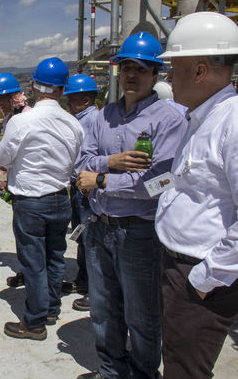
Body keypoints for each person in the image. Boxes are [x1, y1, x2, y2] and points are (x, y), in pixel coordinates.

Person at [75, 32, 188, 379]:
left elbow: (163, 182)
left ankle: (142, 374)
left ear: (155, 75)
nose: (131, 76)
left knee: (141, 314)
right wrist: (113, 162)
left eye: (140, 69)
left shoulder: (169, 119)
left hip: (139, 233)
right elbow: (83, 162)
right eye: (126, 68)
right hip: (100, 226)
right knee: (104, 309)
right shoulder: (104, 115)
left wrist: (104, 180)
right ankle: (111, 371)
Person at [154, 11, 238, 379]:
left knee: (185, 369)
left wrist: (207, 278)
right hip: (181, 265)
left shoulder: (231, 124)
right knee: (176, 356)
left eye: (173, 69)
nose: (169, 79)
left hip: (203, 273)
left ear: (200, 71)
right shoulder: (200, 118)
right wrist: (116, 186)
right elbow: (179, 181)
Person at [0, 57, 84, 341]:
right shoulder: (73, 123)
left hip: (31, 201)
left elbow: (3, 157)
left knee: (34, 262)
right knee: (55, 258)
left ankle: (33, 322)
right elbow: (76, 161)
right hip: (61, 198)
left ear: (33, 86)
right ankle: (51, 309)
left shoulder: (23, 121)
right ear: (62, 90)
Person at [0, 72, 31, 288]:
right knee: (21, 232)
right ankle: (26, 270)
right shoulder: (9, 118)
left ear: (14, 96)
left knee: (31, 236)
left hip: (29, 184)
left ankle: (36, 277)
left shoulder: (28, 116)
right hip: (16, 182)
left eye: (0, 99)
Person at [62, 74, 101, 312]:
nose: (68, 104)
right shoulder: (81, 119)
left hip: (87, 189)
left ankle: (96, 291)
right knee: (82, 238)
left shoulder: (94, 120)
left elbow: (93, 157)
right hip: (78, 187)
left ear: (86, 100)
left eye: (72, 100)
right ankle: (84, 281)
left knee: (91, 240)